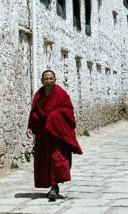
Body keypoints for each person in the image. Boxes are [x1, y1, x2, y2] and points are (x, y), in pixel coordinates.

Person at [26, 70, 82, 202]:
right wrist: (29, 126)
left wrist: (54, 117)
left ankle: (54, 187)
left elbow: (68, 111)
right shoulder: (38, 95)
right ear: (42, 80)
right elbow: (34, 112)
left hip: (58, 134)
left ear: (55, 80)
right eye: (46, 79)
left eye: (51, 78)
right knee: (45, 160)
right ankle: (53, 186)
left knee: (56, 158)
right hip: (44, 135)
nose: (49, 81)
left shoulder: (61, 94)